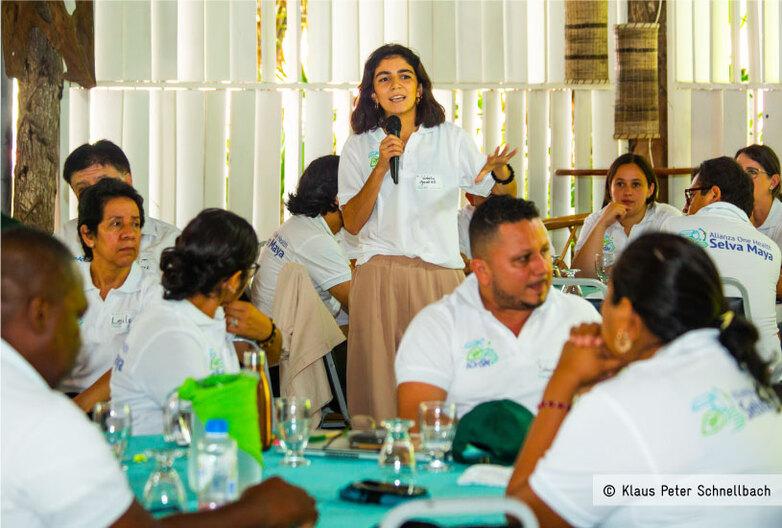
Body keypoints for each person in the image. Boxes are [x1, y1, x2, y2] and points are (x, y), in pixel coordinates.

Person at [1, 226, 317, 528]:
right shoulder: (43, 422)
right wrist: (260, 511)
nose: (80, 341)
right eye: (76, 318)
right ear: (40, 313)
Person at [506, 233, 782, 527]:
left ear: (626, 315)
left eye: (608, 299)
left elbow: (523, 514)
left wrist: (562, 383)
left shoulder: (625, 402)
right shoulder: (737, 365)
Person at [338, 43, 517, 420]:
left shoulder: (449, 137)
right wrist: (380, 169)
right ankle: (380, 470)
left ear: (420, 88)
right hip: (378, 274)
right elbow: (351, 222)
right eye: (383, 79)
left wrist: (501, 173)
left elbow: (493, 201)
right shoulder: (359, 145)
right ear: (373, 93)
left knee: (443, 380)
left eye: (405, 76)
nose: (395, 85)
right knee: (380, 387)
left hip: (439, 275)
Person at [396, 196, 600, 420]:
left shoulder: (579, 317)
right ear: (482, 271)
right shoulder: (436, 328)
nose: (541, 268)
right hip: (468, 454)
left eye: (544, 252)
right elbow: (421, 433)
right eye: (523, 259)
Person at [111, 209, 281, 435]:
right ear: (232, 281)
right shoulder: (171, 332)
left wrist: (268, 331)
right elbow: (211, 425)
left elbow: (269, 360)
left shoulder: (210, 311)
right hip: (154, 459)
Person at [661, 157, 781, 373]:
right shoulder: (770, 249)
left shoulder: (672, 228)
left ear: (714, 194)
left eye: (692, 194)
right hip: (765, 372)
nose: (686, 206)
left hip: (689, 371)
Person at [58, 179, 162, 413]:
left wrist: (77, 408)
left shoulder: (152, 293)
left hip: (121, 409)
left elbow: (135, 363)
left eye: (135, 225)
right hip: (61, 403)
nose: (129, 234)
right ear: (88, 235)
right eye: (116, 224)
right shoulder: (63, 285)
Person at [56, 140, 180, 273]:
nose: (94, 195)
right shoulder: (64, 240)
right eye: (83, 189)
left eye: (103, 183)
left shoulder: (171, 242)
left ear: (127, 181)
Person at [252, 155, 351, 319]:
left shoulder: (301, 225)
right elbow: (359, 302)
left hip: (276, 328)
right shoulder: (316, 240)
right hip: (287, 340)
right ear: (338, 198)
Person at [572, 153, 681, 278]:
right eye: (620, 184)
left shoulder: (669, 218)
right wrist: (602, 225)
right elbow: (579, 276)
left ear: (650, 190)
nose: (627, 192)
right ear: (609, 188)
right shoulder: (595, 220)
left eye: (636, 185)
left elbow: (678, 271)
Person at [735, 144, 782, 299]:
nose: (742, 180)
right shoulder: (732, 215)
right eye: (738, 173)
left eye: (752, 172)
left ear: (773, 182)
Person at [458, 173, 518, 264]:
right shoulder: (458, 225)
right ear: (470, 197)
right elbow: (460, 268)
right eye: (489, 196)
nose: (500, 205)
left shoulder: (529, 223)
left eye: (507, 199)